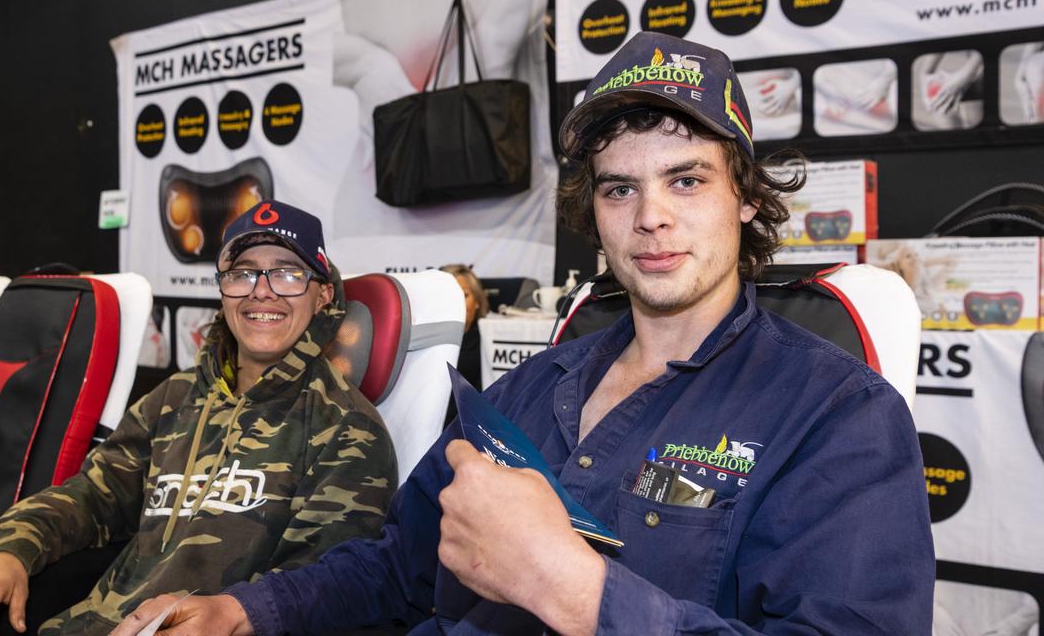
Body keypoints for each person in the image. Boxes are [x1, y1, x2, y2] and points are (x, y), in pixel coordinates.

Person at [112, 32, 935, 636]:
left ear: (746, 197)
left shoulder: (839, 417)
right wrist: (245, 609)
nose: (651, 216)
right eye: (619, 190)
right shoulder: (535, 388)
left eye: (686, 180)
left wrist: (577, 590)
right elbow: (399, 568)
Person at [0, 200, 397, 636]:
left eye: (286, 272)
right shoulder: (173, 397)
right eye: (243, 273)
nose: (262, 290)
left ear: (322, 294)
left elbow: (315, 594)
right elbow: (92, 495)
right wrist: (12, 548)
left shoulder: (346, 428)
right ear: (224, 289)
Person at [438, 264, 490, 392]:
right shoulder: (424, 345)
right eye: (448, 295)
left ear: (477, 301)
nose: (457, 302)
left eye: (464, 295)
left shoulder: (489, 341)